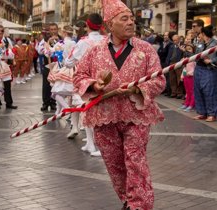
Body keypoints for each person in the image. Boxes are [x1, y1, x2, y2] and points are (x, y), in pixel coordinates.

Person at [73, 0, 166, 209]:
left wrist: (138, 89)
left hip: (137, 115)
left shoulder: (146, 50)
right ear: (109, 25)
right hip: (104, 115)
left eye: (132, 18)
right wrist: (94, 85)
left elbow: (159, 80)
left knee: (135, 160)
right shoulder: (94, 51)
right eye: (124, 19)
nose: (131, 23)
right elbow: (79, 76)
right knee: (114, 163)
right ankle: (128, 199)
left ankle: (140, 205)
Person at [66, 13, 105, 157]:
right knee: (97, 112)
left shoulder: (83, 42)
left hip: (87, 81)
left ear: (87, 26)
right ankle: (90, 143)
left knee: (88, 110)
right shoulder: (107, 39)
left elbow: (68, 62)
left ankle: (97, 145)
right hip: (105, 80)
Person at [193, 25, 217, 122]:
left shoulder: (216, 43)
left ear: (203, 33)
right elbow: (196, 54)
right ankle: (201, 112)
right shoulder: (200, 43)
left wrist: (212, 60)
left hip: (209, 70)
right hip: (198, 68)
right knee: (198, 91)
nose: (200, 35)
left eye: (201, 33)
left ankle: (212, 114)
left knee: (209, 92)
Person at [166, 34, 184, 99]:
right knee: (172, 78)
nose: (174, 42)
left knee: (179, 78)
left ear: (179, 39)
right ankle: (174, 92)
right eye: (173, 40)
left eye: (176, 40)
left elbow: (183, 54)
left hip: (178, 63)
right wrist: (167, 63)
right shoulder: (171, 46)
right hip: (171, 62)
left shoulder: (182, 46)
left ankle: (179, 93)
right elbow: (168, 55)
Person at [179, 44, 196, 112]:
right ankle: (186, 103)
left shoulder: (194, 59)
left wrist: (190, 73)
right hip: (186, 76)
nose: (188, 50)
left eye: (190, 49)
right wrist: (182, 75)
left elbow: (195, 68)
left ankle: (191, 105)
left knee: (192, 91)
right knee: (187, 91)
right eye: (187, 49)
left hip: (191, 77)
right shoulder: (185, 58)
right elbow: (184, 67)